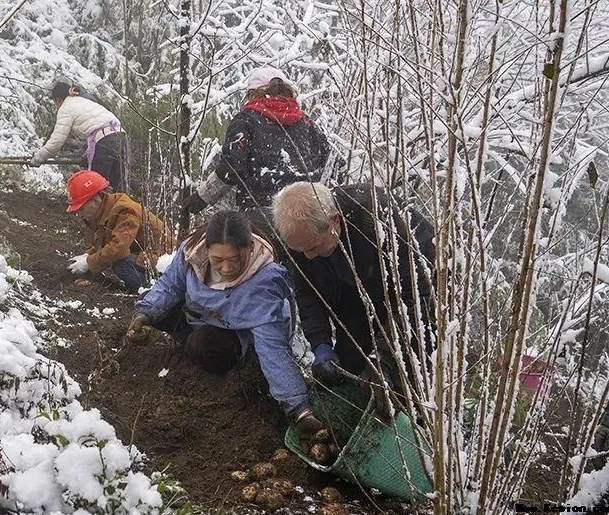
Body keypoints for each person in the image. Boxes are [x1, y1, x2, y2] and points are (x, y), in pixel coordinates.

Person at [124, 210, 325, 441]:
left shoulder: (264, 283)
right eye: (217, 260)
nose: (226, 269)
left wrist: (299, 410)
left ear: (249, 248)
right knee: (156, 307)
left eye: (235, 259)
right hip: (202, 314)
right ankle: (185, 343)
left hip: (237, 331)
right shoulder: (192, 251)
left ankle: (237, 363)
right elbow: (170, 285)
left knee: (201, 345)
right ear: (206, 249)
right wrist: (143, 314)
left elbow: (274, 349)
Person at [271, 182, 435, 418]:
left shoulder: (379, 222)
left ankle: (415, 432)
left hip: (418, 299)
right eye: (300, 251)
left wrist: (383, 359)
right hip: (354, 293)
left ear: (334, 221)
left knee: (401, 382)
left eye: (314, 247)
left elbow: (414, 301)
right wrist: (321, 344)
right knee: (350, 368)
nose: (307, 256)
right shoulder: (300, 240)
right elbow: (308, 294)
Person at [183, 67, 333, 219]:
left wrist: (202, 198)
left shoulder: (246, 121)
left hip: (260, 214)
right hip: (306, 214)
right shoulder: (307, 123)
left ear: (252, 93)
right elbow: (330, 163)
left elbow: (231, 169)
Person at [65, 170, 172, 292]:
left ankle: (153, 291)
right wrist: (87, 255)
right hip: (146, 258)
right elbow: (107, 242)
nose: (80, 214)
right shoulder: (107, 211)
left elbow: (119, 248)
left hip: (163, 264)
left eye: (81, 208)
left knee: (120, 265)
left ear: (95, 200)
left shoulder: (125, 211)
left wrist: (89, 262)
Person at [31, 81, 129, 191]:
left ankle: (96, 207)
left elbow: (56, 141)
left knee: (95, 184)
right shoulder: (83, 101)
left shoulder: (65, 108)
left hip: (104, 140)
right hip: (120, 135)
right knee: (118, 184)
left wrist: (38, 158)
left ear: (58, 99)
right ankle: (122, 207)